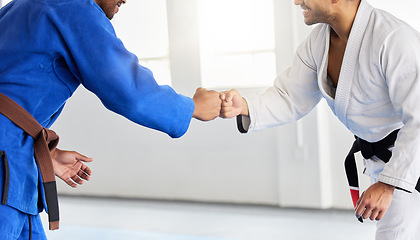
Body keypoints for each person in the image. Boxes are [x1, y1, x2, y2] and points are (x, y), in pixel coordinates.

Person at [0, 0, 221, 239]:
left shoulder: (22, 7)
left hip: (13, 159)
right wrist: (192, 107)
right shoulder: (74, 8)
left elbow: (12, 91)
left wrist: (42, 153)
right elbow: (128, 89)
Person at [220, 0, 420, 239]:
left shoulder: (393, 39)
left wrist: (389, 183)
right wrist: (244, 106)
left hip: (409, 165)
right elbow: (290, 96)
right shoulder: (318, 43)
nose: (296, 1)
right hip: (386, 163)